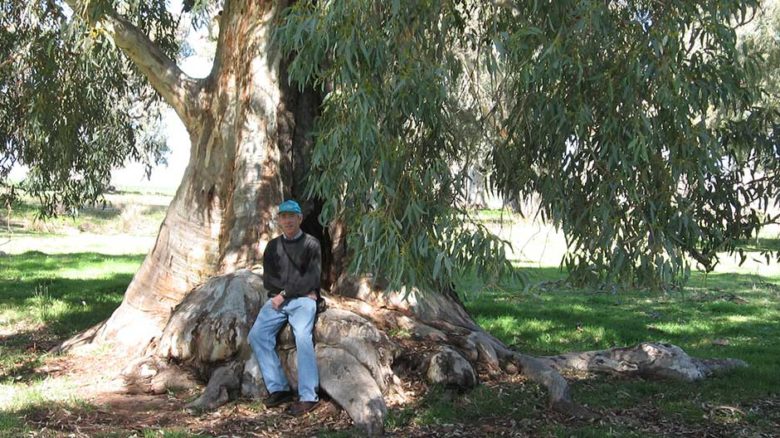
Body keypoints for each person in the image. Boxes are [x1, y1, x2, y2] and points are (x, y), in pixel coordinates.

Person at [248, 199, 321, 417]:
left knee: (302, 337)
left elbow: (312, 278)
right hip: (279, 300)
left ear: (300, 218)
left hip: (303, 301)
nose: (288, 220)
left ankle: (309, 396)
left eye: (292, 216)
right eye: (283, 216)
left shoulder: (311, 244)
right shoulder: (273, 247)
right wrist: (287, 292)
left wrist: (287, 293)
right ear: (279, 220)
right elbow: (269, 281)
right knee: (257, 335)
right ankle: (278, 388)